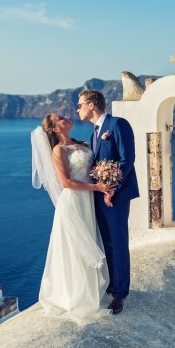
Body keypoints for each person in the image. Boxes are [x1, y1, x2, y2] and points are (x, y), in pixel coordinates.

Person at [31, 113, 115, 323]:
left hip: (87, 201)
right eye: (60, 118)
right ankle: (75, 296)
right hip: (73, 203)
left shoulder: (81, 143)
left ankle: (91, 291)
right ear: (56, 129)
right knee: (75, 248)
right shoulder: (58, 150)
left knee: (90, 241)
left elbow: (93, 167)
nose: (66, 117)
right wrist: (98, 186)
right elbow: (66, 183)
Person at [77, 89, 139, 315]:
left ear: (92, 104)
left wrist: (112, 189)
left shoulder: (117, 124)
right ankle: (111, 284)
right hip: (99, 195)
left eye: (80, 104)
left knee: (118, 242)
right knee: (107, 243)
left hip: (116, 196)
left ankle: (120, 294)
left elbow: (127, 159)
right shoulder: (95, 133)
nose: (78, 109)